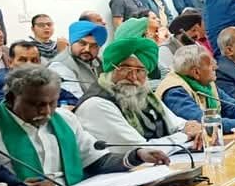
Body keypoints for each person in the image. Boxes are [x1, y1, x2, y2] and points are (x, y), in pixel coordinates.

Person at [0, 65, 169, 186]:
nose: (46, 111)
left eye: (51, 103)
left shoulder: (64, 119)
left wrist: (137, 155)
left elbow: (96, 160)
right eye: (36, 104)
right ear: (12, 98)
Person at [74, 37, 203, 148]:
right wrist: (184, 136)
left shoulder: (143, 95)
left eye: (140, 70)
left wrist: (193, 127)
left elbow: (177, 124)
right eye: (125, 69)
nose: (133, 77)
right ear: (110, 70)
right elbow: (140, 149)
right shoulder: (96, 104)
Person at [158, 45, 235, 134]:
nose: (216, 66)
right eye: (211, 64)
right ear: (196, 72)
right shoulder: (174, 92)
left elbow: (234, 107)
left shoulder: (205, 83)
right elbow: (207, 123)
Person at [0, 41, 72, 107]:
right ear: (10, 62)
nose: (29, 65)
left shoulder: (43, 77)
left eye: (34, 60)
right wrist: (59, 106)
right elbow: (7, 111)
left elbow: (72, 99)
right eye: (23, 60)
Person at [49, 20, 106, 100]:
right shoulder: (60, 65)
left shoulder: (97, 61)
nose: (87, 49)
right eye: (82, 43)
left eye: (93, 46)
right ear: (72, 42)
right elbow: (75, 99)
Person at [158, 12, 209, 77]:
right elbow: (171, 75)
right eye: (193, 30)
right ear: (181, 31)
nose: (198, 37)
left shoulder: (195, 44)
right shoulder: (165, 50)